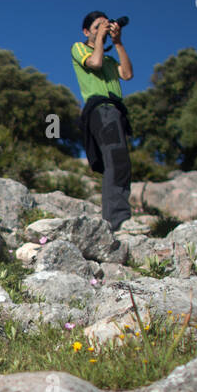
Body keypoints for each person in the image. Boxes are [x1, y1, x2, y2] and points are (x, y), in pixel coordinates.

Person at [72, 11, 135, 229]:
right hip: (100, 109)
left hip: (116, 111)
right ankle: (118, 220)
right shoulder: (79, 48)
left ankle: (115, 219)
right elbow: (95, 63)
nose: (102, 30)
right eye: (97, 26)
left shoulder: (110, 59)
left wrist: (117, 43)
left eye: (105, 26)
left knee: (120, 163)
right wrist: (100, 36)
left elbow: (127, 74)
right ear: (86, 31)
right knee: (116, 161)